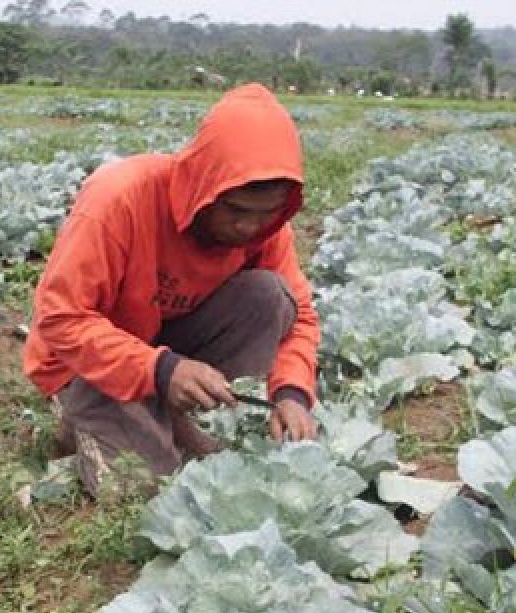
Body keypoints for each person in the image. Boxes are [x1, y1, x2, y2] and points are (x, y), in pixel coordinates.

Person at [22, 83, 321, 495]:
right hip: (86, 363)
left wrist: (291, 392)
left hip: (167, 351)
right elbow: (61, 318)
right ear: (203, 185)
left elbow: (300, 317)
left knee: (269, 296)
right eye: (235, 210)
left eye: (266, 213)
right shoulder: (120, 199)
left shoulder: (266, 228)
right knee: (145, 489)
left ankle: (170, 415)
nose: (249, 227)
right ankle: (83, 417)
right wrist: (161, 370)